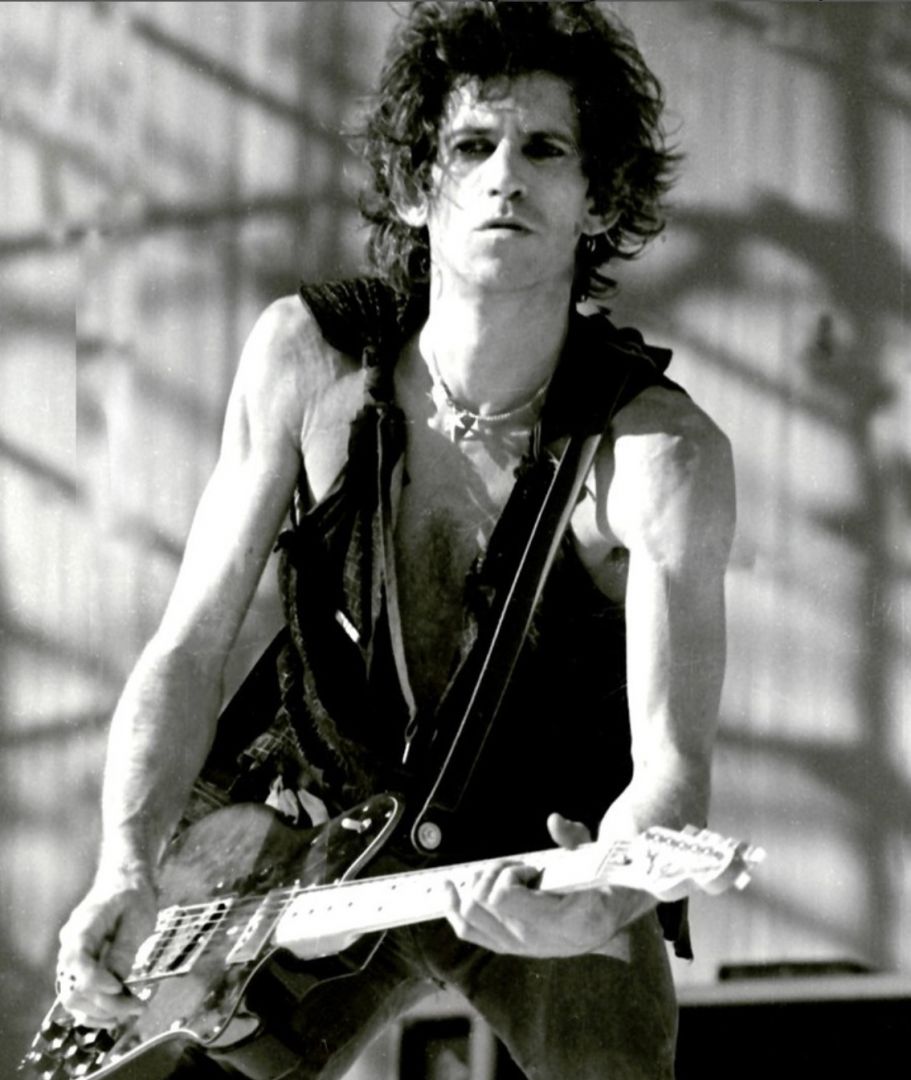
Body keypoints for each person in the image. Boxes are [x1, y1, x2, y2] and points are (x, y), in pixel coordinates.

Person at [55, 3, 735, 1077]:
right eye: (470, 146)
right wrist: (124, 864)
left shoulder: (659, 454)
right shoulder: (307, 359)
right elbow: (187, 648)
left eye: (543, 149)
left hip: (532, 864)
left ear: (598, 197)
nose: (504, 178)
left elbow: (671, 769)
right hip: (308, 829)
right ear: (418, 187)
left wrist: (602, 895)